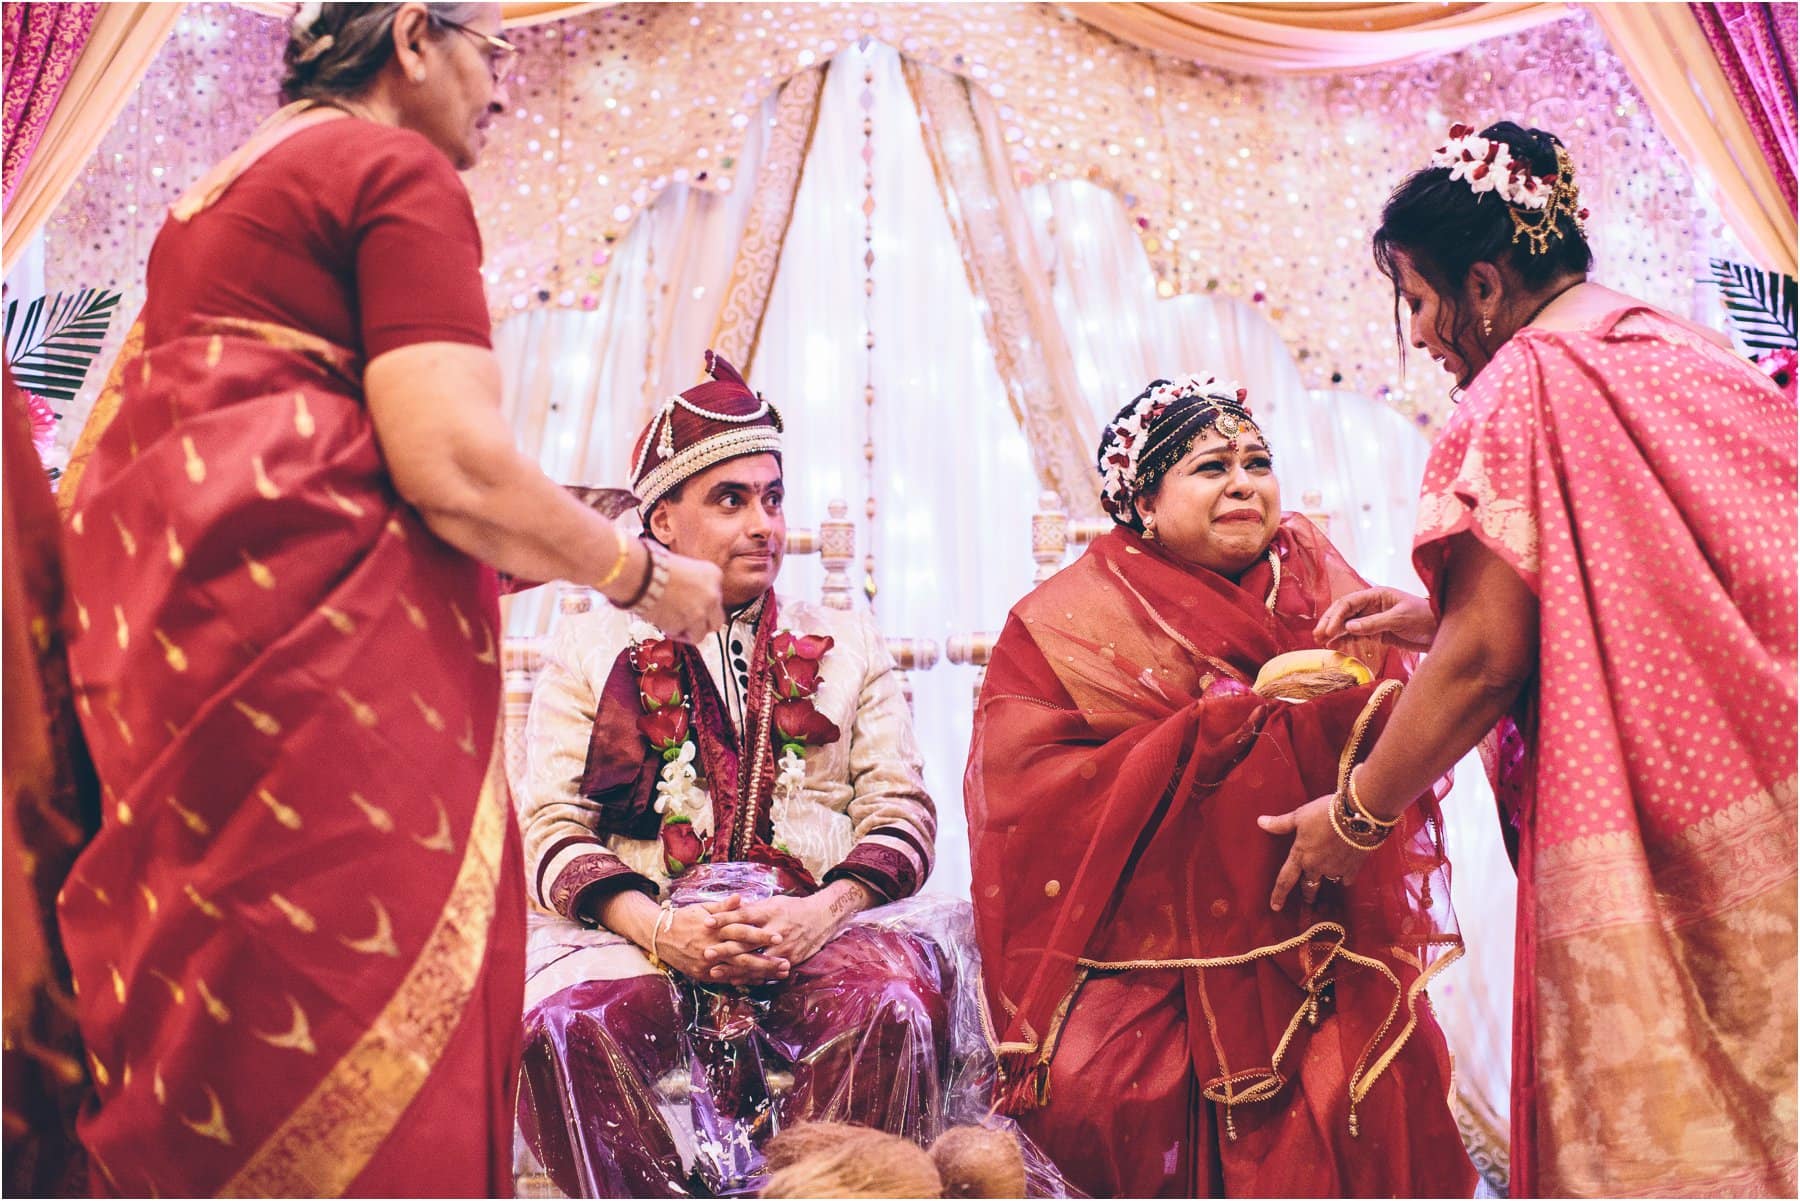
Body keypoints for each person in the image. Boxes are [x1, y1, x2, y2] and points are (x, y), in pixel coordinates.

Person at [52, 5, 723, 1195]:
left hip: (202, 665)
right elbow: (454, 466)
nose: (502, 86)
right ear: (413, 36)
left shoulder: (216, 195)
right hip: (328, 696)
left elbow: (276, 450)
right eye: (493, 49)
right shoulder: (386, 167)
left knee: (223, 1014)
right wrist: (642, 576)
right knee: (359, 1005)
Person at [1265, 121, 1798, 1196]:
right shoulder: (1679, 346)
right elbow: (1664, 567)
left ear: (1485, 283)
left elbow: (1485, 662)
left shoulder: (1521, 388)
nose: (1418, 334)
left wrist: (1358, 817)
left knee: (1674, 1123)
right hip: (1773, 784)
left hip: (1659, 831)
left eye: (1418, 299)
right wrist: (1436, 611)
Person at [965, 374, 1475, 1198]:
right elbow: (1032, 799)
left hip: (1322, 930)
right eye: (1211, 466)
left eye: (1258, 461)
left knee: (1364, 1084)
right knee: (1108, 1091)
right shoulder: (1063, 626)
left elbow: (1399, 740)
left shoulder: (1319, 589)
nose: (1244, 482)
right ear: (1143, 503)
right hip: (1136, 951)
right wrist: (1217, 726)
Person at [515, 351, 949, 1197]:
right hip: (638, 940)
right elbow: (548, 824)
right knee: (558, 1031)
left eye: (773, 498)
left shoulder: (847, 637)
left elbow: (902, 807)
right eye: (732, 499)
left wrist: (818, 914)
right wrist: (658, 928)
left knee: (892, 1008)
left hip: (820, 932)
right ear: (662, 524)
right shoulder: (589, 644)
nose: (765, 523)